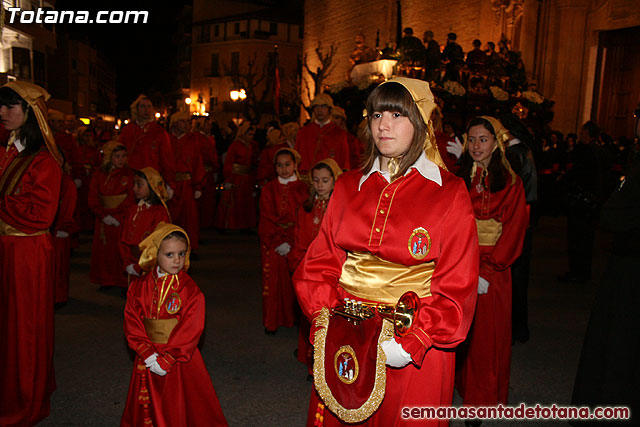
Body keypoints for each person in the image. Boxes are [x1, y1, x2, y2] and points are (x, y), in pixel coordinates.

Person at [293, 77, 479, 426]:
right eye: (377, 115)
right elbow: (319, 264)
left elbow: (458, 285)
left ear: (422, 121)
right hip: (348, 333)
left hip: (413, 340)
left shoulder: (449, 193)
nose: (384, 125)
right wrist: (324, 321)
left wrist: (412, 342)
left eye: (397, 114)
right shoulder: (348, 186)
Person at [454, 117, 528, 421]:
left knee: (487, 338)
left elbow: (514, 230)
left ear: (496, 143)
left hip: (493, 270)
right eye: (471, 139)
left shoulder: (511, 182)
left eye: (483, 139)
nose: (476, 146)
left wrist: (489, 269)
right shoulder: (459, 179)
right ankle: (462, 387)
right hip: (462, 263)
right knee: (460, 332)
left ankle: (481, 400)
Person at [121, 222, 228, 427]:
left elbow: (191, 327)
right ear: (155, 254)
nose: (177, 260)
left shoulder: (190, 289)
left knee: (179, 401)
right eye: (169, 255)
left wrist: (168, 358)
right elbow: (132, 320)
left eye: (181, 254)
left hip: (178, 358)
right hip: (148, 354)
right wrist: (147, 353)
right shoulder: (139, 286)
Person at [0, 81, 63, 426]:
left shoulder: (44, 162)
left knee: (25, 328)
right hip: (8, 248)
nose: (2, 113)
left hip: (28, 251)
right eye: (1, 107)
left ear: (30, 114)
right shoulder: (8, 150)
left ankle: (25, 398)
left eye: (11, 107)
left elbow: (40, 214)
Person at [289, 158, 342, 374]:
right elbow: (298, 235)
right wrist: (298, 261)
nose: (320, 185)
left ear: (334, 181)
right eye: (316, 180)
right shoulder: (306, 207)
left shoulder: (339, 209)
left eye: (325, 180)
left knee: (326, 318)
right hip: (307, 268)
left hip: (328, 270)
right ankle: (307, 356)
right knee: (308, 316)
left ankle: (320, 367)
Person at [259, 148, 308, 334]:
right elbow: (266, 216)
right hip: (272, 241)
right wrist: (277, 241)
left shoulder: (304, 188)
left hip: (296, 241)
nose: (284, 169)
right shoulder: (269, 188)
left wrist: (290, 241)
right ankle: (272, 320)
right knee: (273, 282)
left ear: (295, 165)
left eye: (288, 164)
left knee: (295, 283)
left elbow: (304, 216)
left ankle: (294, 320)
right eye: (279, 165)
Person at [558, 121, 602, 283]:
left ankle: (578, 272)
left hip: (581, 203)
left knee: (578, 239)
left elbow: (578, 175)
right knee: (585, 239)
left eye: (582, 130)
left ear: (587, 132)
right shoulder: (598, 150)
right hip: (590, 202)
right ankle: (582, 271)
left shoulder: (585, 151)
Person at [88, 140, 135, 290]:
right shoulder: (99, 174)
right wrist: (102, 215)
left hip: (121, 218)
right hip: (104, 219)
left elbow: (131, 197)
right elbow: (93, 197)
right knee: (104, 252)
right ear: (109, 157)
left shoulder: (129, 174)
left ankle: (123, 281)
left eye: (124, 156)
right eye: (117, 156)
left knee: (121, 251)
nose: (121, 160)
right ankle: (106, 280)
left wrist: (119, 215)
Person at [120, 167, 171, 279]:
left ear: (152, 186)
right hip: (132, 261)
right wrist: (127, 261)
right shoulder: (134, 209)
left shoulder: (159, 213)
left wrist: (139, 267)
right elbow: (124, 238)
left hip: (149, 266)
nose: (134, 188)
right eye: (134, 184)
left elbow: (158, 244)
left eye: (139, 185)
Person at [119, 94, 176, 192]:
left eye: (149, 106)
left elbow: (166, 159)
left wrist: (170, 183)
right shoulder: (127, 131)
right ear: (136, 109)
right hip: (131, 178)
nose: (146, 109)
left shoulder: (159, 132)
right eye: (143, 106)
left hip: (151, 180)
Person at [167, 111, 205, 252]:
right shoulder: (167, 140)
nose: (187, 125)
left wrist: (198, 186)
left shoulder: (192, 141)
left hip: (186, 185)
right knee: (170, 218)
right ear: (175, 123)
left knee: (188, 219)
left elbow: (197, 164)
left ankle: (188, 248)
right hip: (170, 185)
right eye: (183, 121)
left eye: (188, 122)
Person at [215, 122, 259, 230]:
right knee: (234, 202)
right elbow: (229, 162)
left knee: (246, 203)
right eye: (249, 134)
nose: (251, 137)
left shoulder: (253, 146)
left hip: (247, 178)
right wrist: (228, 178)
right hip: (236, 177)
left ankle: (245, 225)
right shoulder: (235, 145)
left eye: (253, 135)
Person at [295, 93, 351, 176]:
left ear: (329, 109)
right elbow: (296, 156)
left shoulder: (339, 133)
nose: (319, 110)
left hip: (331, 178)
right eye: (316, 107)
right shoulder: (303, 132)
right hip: (306, 176)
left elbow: (344, 159)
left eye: (323, 106)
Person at [52, 156, 79, 305]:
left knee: (59, 266)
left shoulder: (67, 183)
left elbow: (68, 206)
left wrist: (64, 226)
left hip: (60, 229)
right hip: (50, 229)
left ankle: (59, 297)